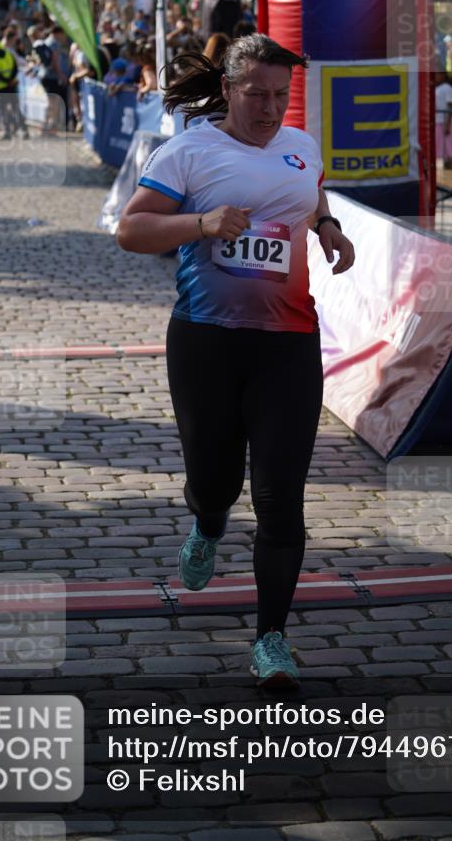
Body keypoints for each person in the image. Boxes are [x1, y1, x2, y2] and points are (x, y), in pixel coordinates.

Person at [116, 34, 355, 689]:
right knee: (215, 481)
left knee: (281, 499)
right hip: (206, 344)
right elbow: (130, 230)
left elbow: (310, 192)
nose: (269, 108)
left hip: (287, 346)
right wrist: (199, 224)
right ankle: (208, 520)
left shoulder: (301, 146)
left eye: (279, 95)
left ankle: (270, 638)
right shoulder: (188, 151)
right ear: (226, 88)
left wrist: (327, 227)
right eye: (255, 95)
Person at [435, 69, 452, 169]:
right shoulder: (437, 88)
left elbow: (451, 106)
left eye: (437, 74)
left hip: (445, 123)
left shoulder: (447, 88)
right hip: (438, 122)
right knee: (442, 152)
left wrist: (447, 125)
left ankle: (450, 171)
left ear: (443, 75)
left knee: (448, 152)